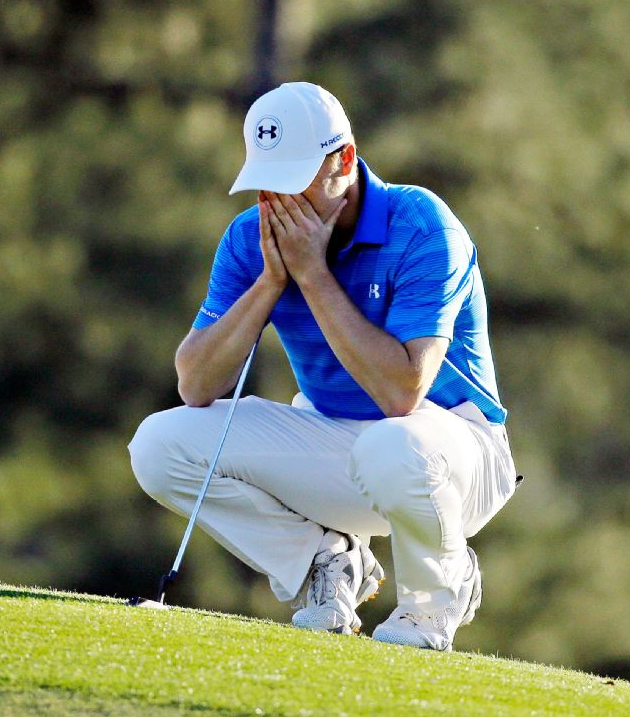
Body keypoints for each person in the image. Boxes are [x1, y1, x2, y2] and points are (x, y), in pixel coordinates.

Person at [128, 82, 519, 650]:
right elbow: (196, 383)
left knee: (392, 444)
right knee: (159, 445)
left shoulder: (423, 224)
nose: (279, 201)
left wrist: (312, 275)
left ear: (346, 159)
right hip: (339, 444)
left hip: (455, 455)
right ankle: (327, 561)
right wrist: (270, 282)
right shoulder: (250, 240)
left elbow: (402, 394)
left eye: (296, 180)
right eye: (268, 182)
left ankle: (435, 598)